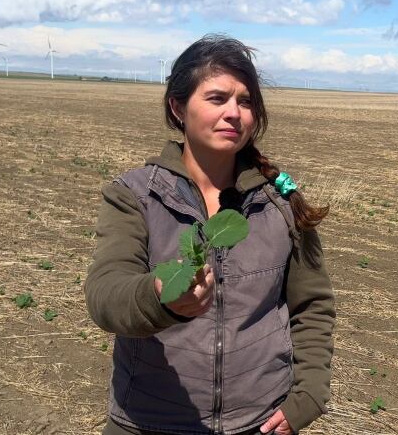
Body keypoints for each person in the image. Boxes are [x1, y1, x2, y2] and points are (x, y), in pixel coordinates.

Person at [84, 34, 335, 435]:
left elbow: (312, 306)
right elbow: (105, 295)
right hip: (151, 420)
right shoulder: (136, 196)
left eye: (246, 101)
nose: (234, 113)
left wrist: (307, 397)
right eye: (217, 98)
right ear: (178, 107)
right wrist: (160, 297)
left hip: (260, 423)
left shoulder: (280, 201)